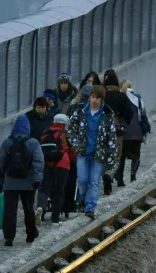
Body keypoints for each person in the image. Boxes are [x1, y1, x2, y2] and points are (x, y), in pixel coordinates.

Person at [67, 85, 119, 219]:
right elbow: (70, 129)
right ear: (89, 97)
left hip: (98, 154)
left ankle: (90, 208)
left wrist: (111, 157)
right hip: (83, 152)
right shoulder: (80, 111)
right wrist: (77, 145)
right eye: (93, 97)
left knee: (94, 181)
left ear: (102, 99)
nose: (94, 100)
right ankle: (83, 199)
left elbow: (111, 137)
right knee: (82, 179)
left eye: (98, 98)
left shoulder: (107, 115)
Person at [0, 115, 44, 246]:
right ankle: (30, 234)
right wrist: (37, 179)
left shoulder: (7, 142)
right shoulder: (33, 143)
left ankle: (9, 237)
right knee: (28, 209)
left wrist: (0, 181)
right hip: (28, 183)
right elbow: (38, 162)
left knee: (9, 211)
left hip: (9, 183)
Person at [101, 73, 135, 196]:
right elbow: (129, 113)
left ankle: (104, 175)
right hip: (117, 130)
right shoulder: (121, 97)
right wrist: (124, 123)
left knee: (103, 155)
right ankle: (109, 175)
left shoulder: (102, 96)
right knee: (116, 156)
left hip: (102, 129)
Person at [37, 114, 73, 224]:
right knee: (59, 191)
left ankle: (41, 209)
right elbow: (70, 149)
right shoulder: (65, 133)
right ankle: (55, 218)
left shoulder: (46, 132)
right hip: (62, 164)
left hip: (47, 163)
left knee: (44, 189)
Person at [116, 80, 152, 185]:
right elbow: (143, 114)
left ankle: (120, 180)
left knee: (121, 157)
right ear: (131, 87)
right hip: (136, 133)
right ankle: (133, 177)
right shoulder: (138, 98)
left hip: (123, 133)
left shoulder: (119, 98)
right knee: (136, 156)